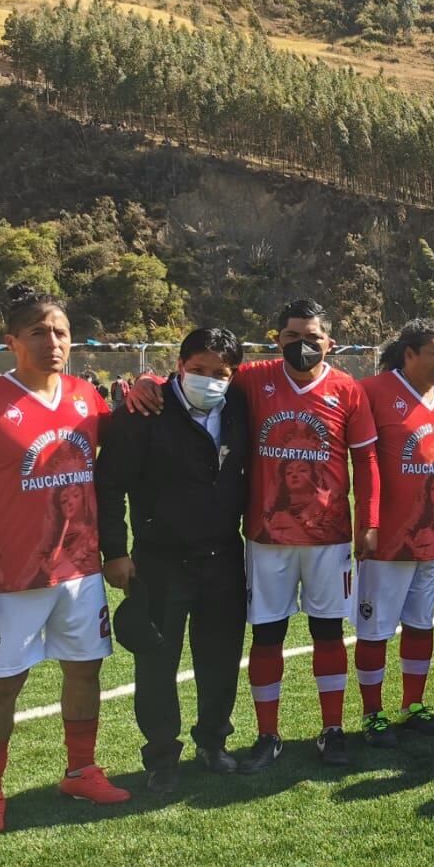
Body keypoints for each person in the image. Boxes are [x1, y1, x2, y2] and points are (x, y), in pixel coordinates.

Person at [124, 297, 381, 771]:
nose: (301, 346)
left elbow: (365, 460)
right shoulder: (253, 378)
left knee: (328, 634)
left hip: (328, 539)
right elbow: (198, 376)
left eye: (311, 338)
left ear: (330, 342)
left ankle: (331, 729)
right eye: (291, 337)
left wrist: (369, 520)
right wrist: (146, 382)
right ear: (275, 339)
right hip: (265, 537)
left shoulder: (348, 389)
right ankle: (268, 735)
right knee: (268, 636)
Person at [96, 327, 250, 792]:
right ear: (179, 367)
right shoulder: (145, 412)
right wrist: (116, 551)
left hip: (223, 555)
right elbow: (109, 485)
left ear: (233, 374)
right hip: (160, 560)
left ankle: (213, 742)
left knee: (220, 658)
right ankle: (161, 756)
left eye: (220, 373)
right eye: (198, 370)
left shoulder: (241, 407)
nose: (209, 380)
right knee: (157, 662)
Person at [0, 285, 127, 832]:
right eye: (39, 333)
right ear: (12, 342)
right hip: (10, 575)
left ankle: (80, 770)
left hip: (79, 568)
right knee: (4, 683)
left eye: (61, 332)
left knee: (85, 668)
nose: (53, 342)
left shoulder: (85, 397)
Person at [351, 320, 434, 745]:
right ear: (409, 353)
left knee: (420, 625)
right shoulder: (373, 391)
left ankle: (413, 705)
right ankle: (372, 714)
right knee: (376, 629)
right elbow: (362, 461)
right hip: (388, 539)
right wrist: (369, 523)